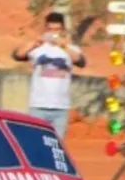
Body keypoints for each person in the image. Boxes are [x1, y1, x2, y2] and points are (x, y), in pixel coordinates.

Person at [11, 12, 87, 140]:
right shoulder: (38, 49)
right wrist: (35, 42)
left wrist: (63, 45)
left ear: (62, 30)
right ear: (45, 29)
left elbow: (81, 61)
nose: (53, 33)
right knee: (35, 141)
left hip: (60, 108)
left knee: (57, 145)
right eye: (50, 29)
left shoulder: (70, 49)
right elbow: (17, 55)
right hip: (38, 106)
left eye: (57, 30)